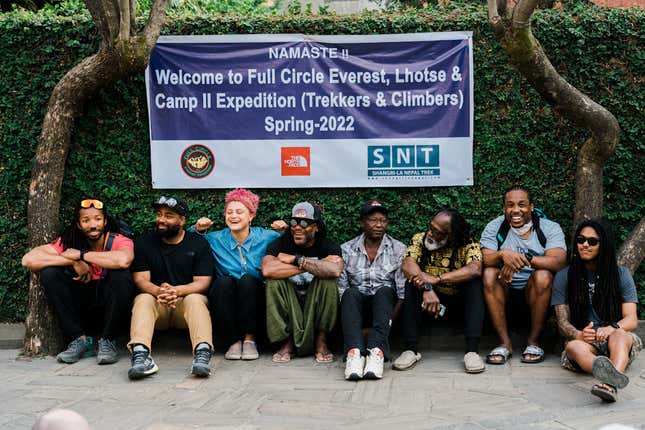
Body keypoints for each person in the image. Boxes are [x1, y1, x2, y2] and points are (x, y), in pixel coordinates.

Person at [22, 198, 134, 365]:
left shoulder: (118, 240)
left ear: (105, 221)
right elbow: (28, 260)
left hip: (111, 308)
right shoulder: (70, 241)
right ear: (79, 225)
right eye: (86, 220)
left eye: (97, 219)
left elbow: (124, 260)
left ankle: (108, 341)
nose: (93, 225)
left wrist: (81, 255)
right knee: (50, 273)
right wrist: (72, 262)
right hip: (81, 307)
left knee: (122, 276)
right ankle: (79, 340)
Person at [552, 219, 641, 402]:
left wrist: (611, 328)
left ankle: (609, 384)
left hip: (616, 341)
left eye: (592, 241)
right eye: (581, 239)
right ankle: (608, 373)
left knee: (621, 335)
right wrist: (578, 334)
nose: (585, 244)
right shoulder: (564, 276)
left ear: (604, 245)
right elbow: (562, 323)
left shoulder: (621, 275)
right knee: (573, 346)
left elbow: (631, 319)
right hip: (585, 343)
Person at [127, 196, 214, 380]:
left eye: (169, 215)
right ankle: (141, 355)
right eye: (159, 214)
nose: (161, 219)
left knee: (196, 298)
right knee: (143, 298)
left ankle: (202, 354)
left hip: (185, 307)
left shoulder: (198, 244)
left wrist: (177, 291)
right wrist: (159, 291)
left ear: (182, 220)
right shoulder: (144, 243)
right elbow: (141, 279)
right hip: (158, 305)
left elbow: (203, 282)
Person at [191, 189, 283, 360]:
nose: (233, 216)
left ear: (251, 216)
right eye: (229, 212)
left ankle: (250, 340)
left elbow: (290, 241)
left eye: (240, 212)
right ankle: (232, 341)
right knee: (223, 282)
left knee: (247, 280)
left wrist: (284, 230)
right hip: (226, 295)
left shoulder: (266, 237)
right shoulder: (215, 238)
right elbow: (188, 241)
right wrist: (197, 229)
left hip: (256, 296)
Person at [480, 185, 567, 365]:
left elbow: (558, 261)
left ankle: (533, 342)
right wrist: (503, 255)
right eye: (510, 205)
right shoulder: (495, 226)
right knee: (489, 273)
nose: (516, 210)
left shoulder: (549, 228)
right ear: (504, 208)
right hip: (505, 291)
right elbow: (487, 259)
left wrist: (523, 258)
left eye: (522, 204)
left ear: (531, 207)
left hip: (537, 295)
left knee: (543, 275)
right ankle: (504, 344)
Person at [393, 208, 486, 373]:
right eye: (431, 227)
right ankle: (410, 350)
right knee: (410, 283)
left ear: (451, 235)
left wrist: (438, 279)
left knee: (474, 284)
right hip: (427, 303)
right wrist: (427, 287)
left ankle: (472, 351)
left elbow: (475, 269)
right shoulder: (420, 239)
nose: (430, 233)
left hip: (456, 306)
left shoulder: (468, 244)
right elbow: (408, 264)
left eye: (437, 232)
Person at [261, 201, 344, 363]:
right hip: (291, 299)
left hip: (315, 301)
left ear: (316, 227)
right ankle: (287, 342)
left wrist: (295, 260)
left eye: (305, 223)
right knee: (274, 281)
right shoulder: (281, 243)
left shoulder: (328, 246)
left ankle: (322, 341)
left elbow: (335, 270)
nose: (297, 227)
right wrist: (314, 265)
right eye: (294, 222)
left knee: (328, 281)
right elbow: (268, 269)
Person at [339, 200, 406, 380]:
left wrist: (386, 326)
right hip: (356, 310)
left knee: (385, 291)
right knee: (350, 293)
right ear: (362, 223)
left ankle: (376, 352)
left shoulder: (398, 249)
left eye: (383, 220)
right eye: (372, 220)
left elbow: (401, 296)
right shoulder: (346, 249)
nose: (378, 225)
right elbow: (342, 292)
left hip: (385, 310)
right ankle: (355, 353)